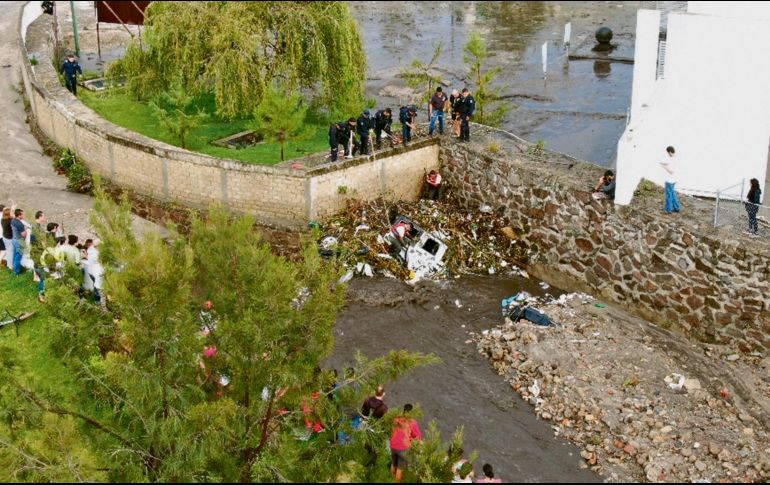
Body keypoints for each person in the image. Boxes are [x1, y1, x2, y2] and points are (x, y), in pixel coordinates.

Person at [390, 404, 423, 483]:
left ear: (403, 410)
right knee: (400, 469)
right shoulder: (412, 422)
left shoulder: (396, 419)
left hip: (393, 445)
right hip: (403, 448)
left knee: (393, 464)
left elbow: (391, 429)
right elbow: (418, 436)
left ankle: (390, 479)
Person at [659, 146, 681, 214]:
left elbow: (671, 171)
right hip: (674, 180)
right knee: (673, 193)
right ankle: (677, 207)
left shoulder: (672, 159)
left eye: (668, 153)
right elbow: (669, 163)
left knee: (669, 195)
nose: (668, 154)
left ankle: (669, 209)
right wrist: (663, 163)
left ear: (670, 152)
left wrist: (664, 167)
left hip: (669, 180)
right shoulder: (675, 158)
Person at [10, 209, 28, 275]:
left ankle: (14, 268)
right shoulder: (19, 224)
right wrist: (25, 229)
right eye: (22, 214)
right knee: (18, 257)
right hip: (19, 241)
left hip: (14, 239)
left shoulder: (13, 220)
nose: (24, 215)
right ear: (19, 215)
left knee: (15, 255)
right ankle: (16, 272)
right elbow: (24, 234)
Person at [1, 206, 13, 270]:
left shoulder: (3, 219)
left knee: (8, 251)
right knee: (10, 252)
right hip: (9, 238)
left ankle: (9, 263)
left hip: (5, 237)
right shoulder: (10, 221)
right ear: (9, 214)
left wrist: (12, 208)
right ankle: (10, 266)